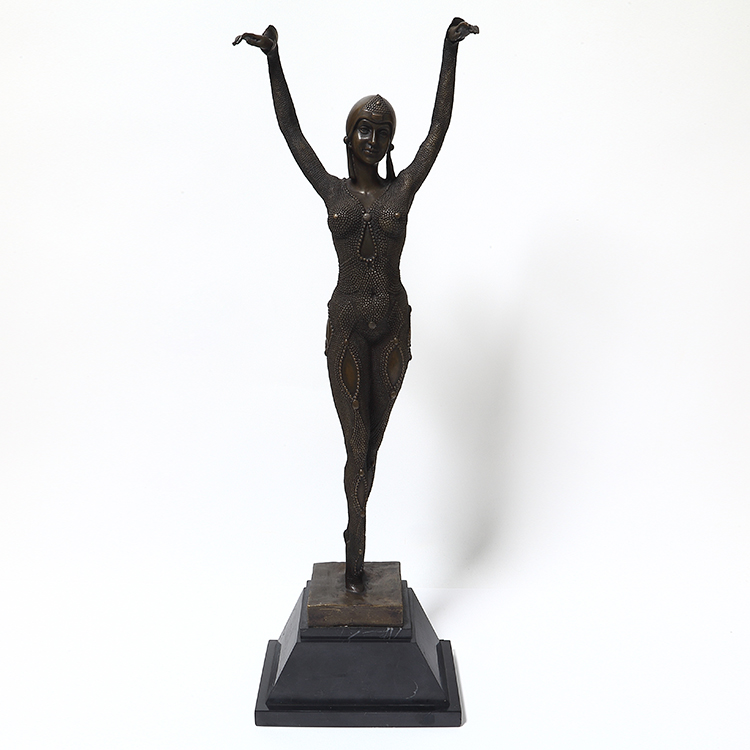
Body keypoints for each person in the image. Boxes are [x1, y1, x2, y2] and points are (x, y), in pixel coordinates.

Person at [234, 18, 478, 593]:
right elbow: (291, 132)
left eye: (382, 131)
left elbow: (439, 128)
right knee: (357, 444)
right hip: (346, 325)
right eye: (363, 128)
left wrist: (448, 52)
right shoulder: (333, 190)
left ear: (391, 143)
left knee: (374, 444)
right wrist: (274, 59)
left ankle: (356, 543)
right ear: (348, 137)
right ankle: (353, 548)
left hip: (392, 326)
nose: (372, 137)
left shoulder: (402, 189)